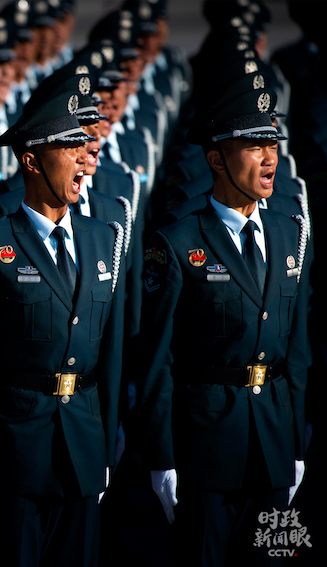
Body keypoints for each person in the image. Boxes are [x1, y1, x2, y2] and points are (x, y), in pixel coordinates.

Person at [0, 90, 125, 566]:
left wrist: (106, 446)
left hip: (83, 451)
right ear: (31, 160)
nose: (83, 161)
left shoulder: (102, 239)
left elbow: (109, 353)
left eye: (82, 148)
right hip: (17, 454)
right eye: (68, 149)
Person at [137, 87, 308, 567]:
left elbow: (297, 352)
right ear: (216, 159)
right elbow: (157, 362)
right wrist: (162, 458)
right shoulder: (175, 242)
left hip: (274, 448)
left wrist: (297, 443)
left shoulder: (290, 231)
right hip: (206, 453)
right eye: (254, 146)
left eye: (272, 144)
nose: (269, 158)